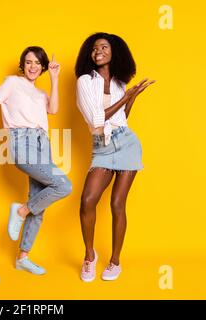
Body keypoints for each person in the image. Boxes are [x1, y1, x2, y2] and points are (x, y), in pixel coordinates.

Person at [0, 46, 72, 275]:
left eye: (37, 63)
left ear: (42, 67)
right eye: (28, 62)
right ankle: (21, 211)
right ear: (22, 65)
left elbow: (53, 109)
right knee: (63, 185)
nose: (32, 66)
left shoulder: (42, 94)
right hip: (21, 140)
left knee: (39, 201)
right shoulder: (12, 83)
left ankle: (23, 257)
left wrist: (54, 78)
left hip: (43, 143)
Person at [75, 32, 155, 282]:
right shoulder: (85, 81)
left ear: (114, 52)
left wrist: (132, 97)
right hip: (102, 146)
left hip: (127, 143)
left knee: (117, 204)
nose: (98, 50)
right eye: (94, 47)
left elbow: (122, 118)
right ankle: (90, 256)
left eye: (104, 47)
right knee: (88, 200)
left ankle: (115, 262)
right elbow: (96, 119)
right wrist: (125, 97)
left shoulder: (120, 83)